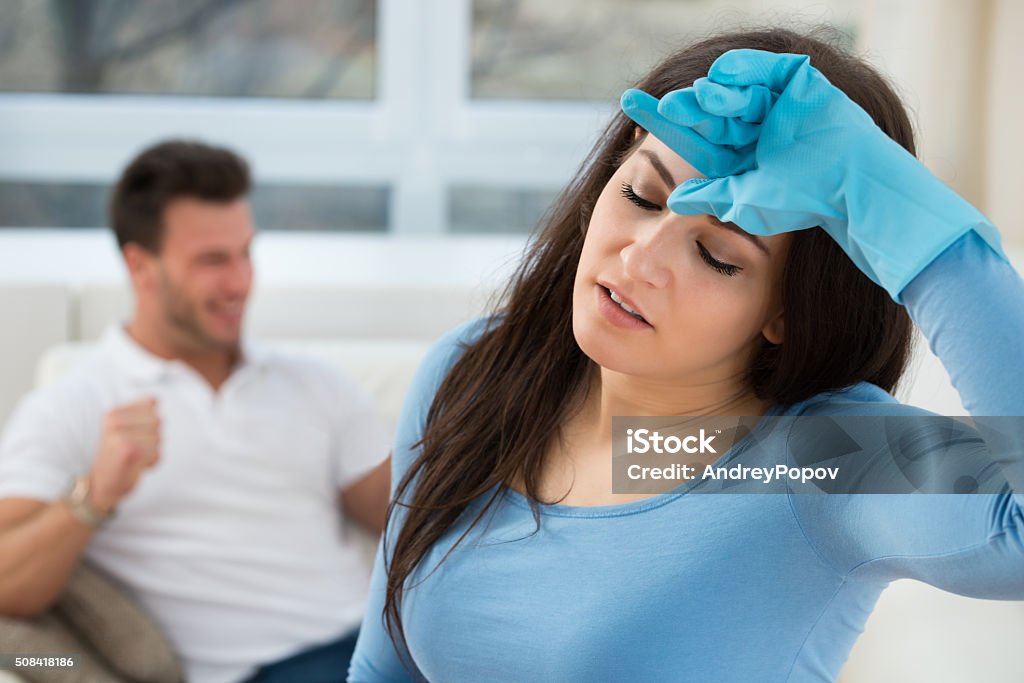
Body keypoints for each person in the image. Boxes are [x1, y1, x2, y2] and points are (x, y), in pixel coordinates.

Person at [347, 27, 1024, 682]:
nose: (641, 257)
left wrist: (898, 212)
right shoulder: (473, 372)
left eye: (715, 253)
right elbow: (385, 666)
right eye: (641, 194)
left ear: (786, 312)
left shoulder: (822, 454)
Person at [0, 140, 392, 683]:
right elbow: (6, 586)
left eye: (245, 253)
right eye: (212, 261)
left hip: (379, 648)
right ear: (141, 265)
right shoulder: (75, 405)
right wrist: (96, 496)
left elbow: (415, 516)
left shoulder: (315, 385)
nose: (240, 282)